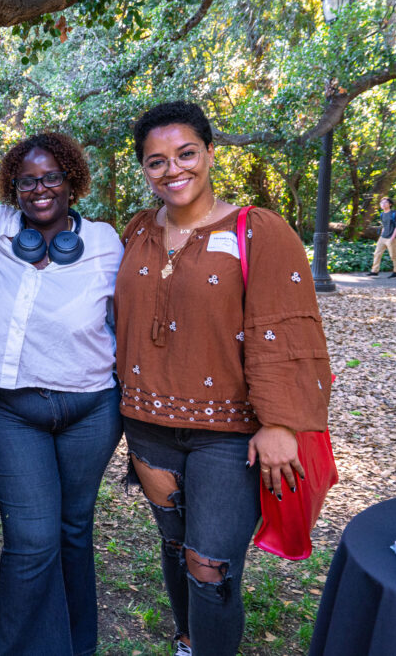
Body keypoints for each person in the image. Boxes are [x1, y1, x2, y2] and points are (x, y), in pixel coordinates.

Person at [115, 101, 331, 656]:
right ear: (143, 168)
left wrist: (281, 422)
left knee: (208, 563)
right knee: (174, 545)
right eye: (156, 161)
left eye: (186, 154)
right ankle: (188, 642)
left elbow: (284, 328)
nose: (174, 170)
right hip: (148, 425)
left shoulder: (256, 230)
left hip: (231, 434)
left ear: (210, 154)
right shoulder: (137, 231)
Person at [0, 132, 123, 655]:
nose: (39, 189)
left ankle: (77, 646)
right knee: (33, 541)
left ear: (71, 181)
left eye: (51, 177)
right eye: (27, 180)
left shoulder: (104, 241)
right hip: (13, 410)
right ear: (13, 186)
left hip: (92, 408)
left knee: (74, 530)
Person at [367, 196, 396, 278]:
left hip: (392, 237)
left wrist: (392, 238)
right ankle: (374, 272)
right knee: (377, 253)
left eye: (385, 202)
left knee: (393, 255)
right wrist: (381, 236)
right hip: (383, 237)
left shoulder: (395, 214)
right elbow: (384, 225)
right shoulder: (382, 214)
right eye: (381, 203)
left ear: (390, 204)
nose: (383, 204)